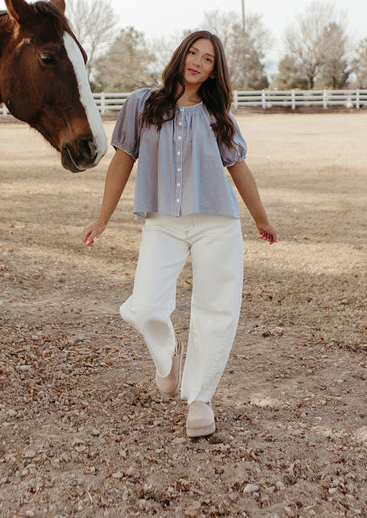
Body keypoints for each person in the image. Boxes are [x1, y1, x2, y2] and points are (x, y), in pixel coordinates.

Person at [82, 31, 277, 438]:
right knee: (145, 306)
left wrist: (261, 218)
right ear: (181, 54)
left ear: (212, 72)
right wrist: (102, 218)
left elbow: (238, 169)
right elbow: (122, 162)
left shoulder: (217, 115)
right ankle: (168, 357)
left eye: (208, 60)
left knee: (215, 308)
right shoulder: (142, 104)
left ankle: (200, 399)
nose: (198, 62)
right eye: (193, 52)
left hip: (216, 222)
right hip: (163, 222)